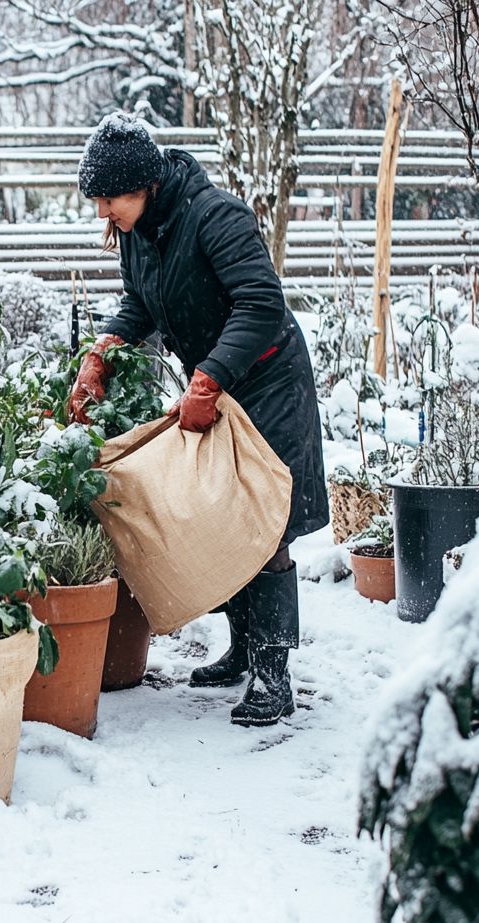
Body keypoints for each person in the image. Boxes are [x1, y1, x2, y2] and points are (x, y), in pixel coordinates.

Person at [69, 112, 328, 727]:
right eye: (98, 199)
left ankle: (273, 673)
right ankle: (242, 650)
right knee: (222, 515)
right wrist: (103, 349)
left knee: (262, 523)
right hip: (218, 380)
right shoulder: (139, 233)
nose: (103, 211)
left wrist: (208, 377)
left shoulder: (216, 216)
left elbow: (261, 303)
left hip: (266, 382)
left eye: (110, 199)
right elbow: (141, 300)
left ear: (145, 187)